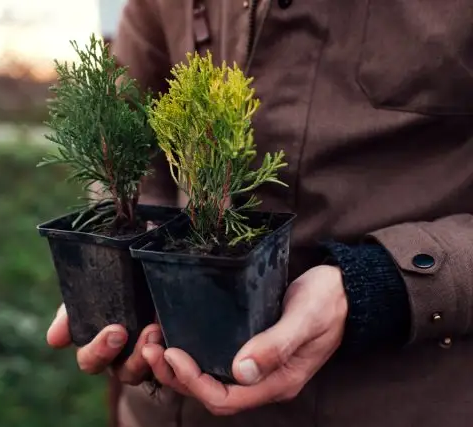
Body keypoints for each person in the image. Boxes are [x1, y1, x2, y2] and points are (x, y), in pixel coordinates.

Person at [47, 1, 473, 426]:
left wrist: (378, 285)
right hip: (167, 406)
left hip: (390, 398)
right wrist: (122, 266)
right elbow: (132, 119)